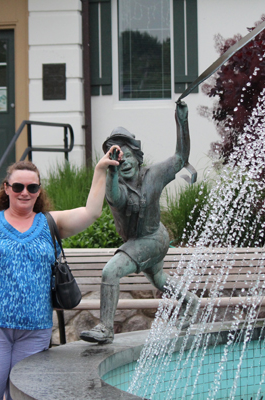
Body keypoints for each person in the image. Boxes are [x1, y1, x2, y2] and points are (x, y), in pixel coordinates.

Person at [0, 148, 121, 400]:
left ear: (39, 191)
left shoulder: (50, 223)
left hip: (35, 330)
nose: (25, 192)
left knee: (25, 395)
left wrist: (99, 171)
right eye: (18, 186)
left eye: (32, 188)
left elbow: (91, 212)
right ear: (6, 188)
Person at [80, 101, 199, 345]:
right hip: (140, 241)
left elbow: (180, 157)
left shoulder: (154, 176)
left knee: (110, 271)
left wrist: (182, 121)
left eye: (127, 157)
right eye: (117, 159)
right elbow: (115, 198)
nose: (123, 162)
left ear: (137, 158)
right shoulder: (117, 185)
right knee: (159, 280)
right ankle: (191, 302)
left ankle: (106, 328)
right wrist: (111, 172)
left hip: (153, 238)